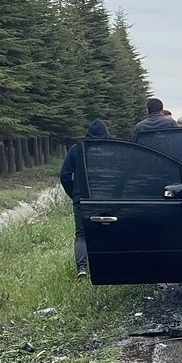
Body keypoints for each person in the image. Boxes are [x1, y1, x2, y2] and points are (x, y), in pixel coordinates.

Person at [60, 118, 112, 281]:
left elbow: (64, 175)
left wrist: (74, 193)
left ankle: (82, 267)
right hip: (107, 198)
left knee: (82, 235)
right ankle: (106, 266)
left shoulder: (77, 150)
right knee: (108, 232)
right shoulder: (112, 150)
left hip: (81, 199)